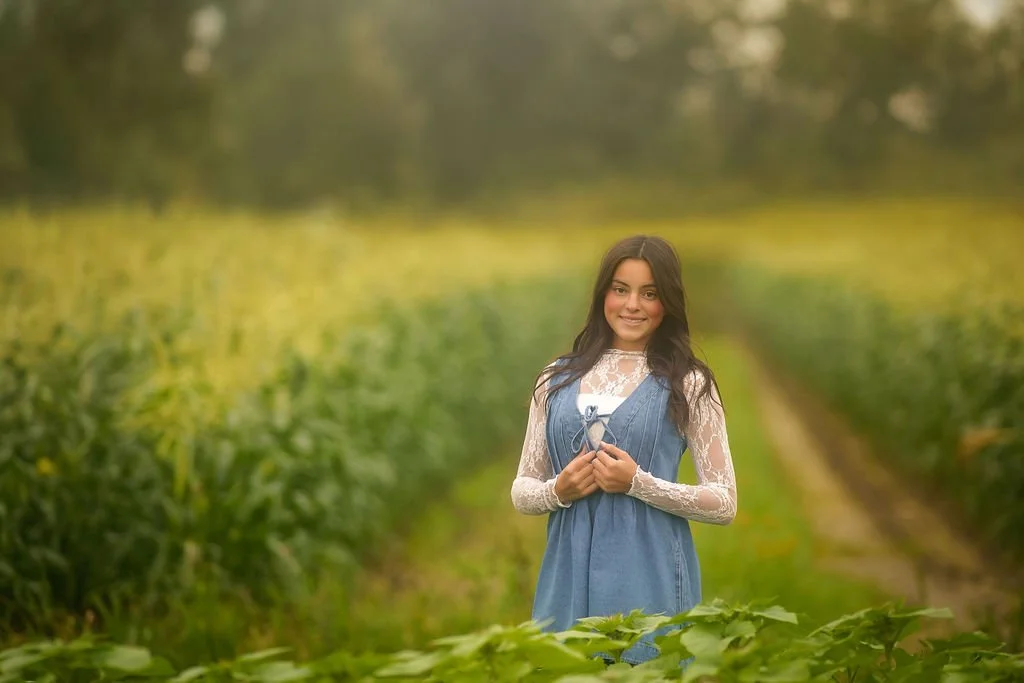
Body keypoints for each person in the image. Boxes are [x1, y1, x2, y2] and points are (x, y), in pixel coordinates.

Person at [510, 234, 737, 666]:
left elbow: (724, 502)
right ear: (603, 296)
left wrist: (638, 483)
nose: (632, 305)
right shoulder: (554, 379)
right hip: (567, 575)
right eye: (621, 289)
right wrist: (558, 490)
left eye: (649, 293)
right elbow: (522, 490)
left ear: (667, 303)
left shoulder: (690, 384)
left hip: (647, 575)